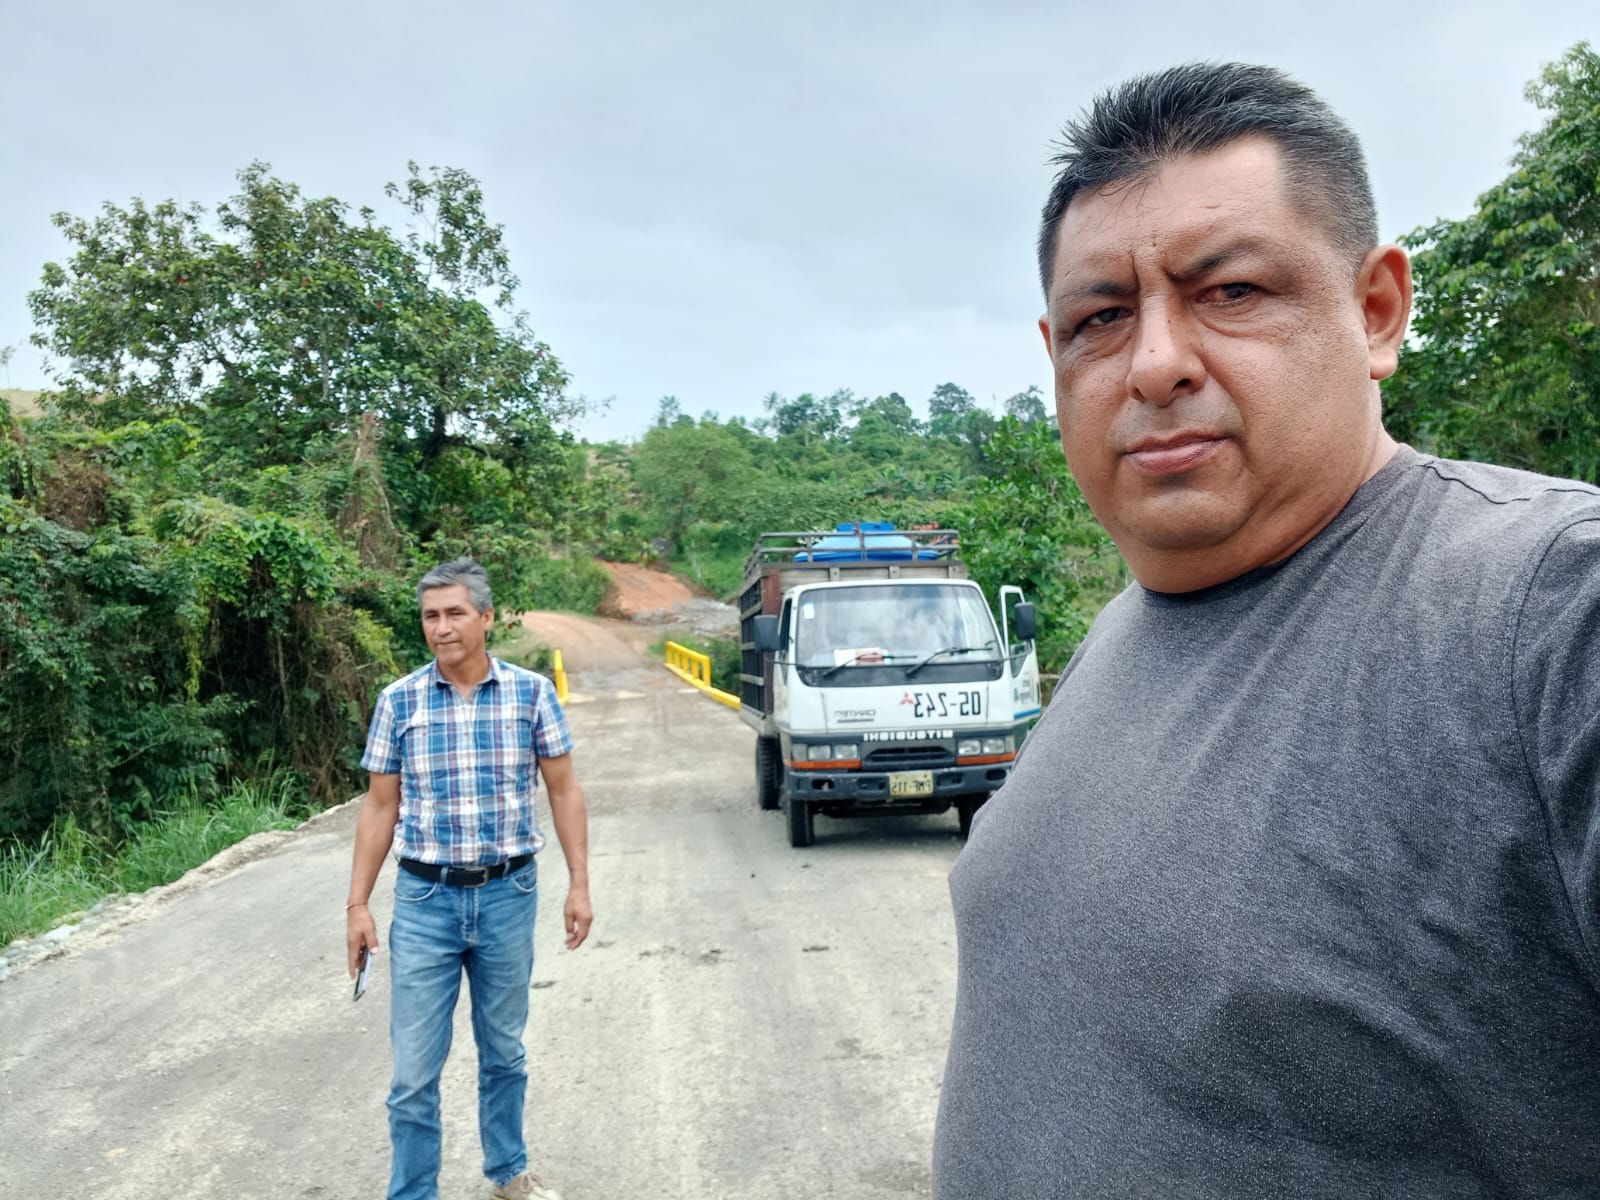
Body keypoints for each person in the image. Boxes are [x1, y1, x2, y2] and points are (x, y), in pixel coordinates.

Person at [934, 63, 1600, 1197]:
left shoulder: (1553, 609)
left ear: (1376, 310)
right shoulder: (1125, 628)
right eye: (1102, 318)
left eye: (1231, 291)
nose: (1154, 363)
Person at [346, 557, 592, 1200]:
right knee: (413, 1074)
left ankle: (509, 1174)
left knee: (504, 1052)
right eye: (431, 616)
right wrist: (357, 904)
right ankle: (413, 1193)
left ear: (486, 618)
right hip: (424, 900)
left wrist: (579, 883)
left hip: (509, 894)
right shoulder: (398, 701)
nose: (442, 627)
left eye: (455, 613)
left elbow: (564, 790)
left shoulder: (530, 694)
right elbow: (379, 806)